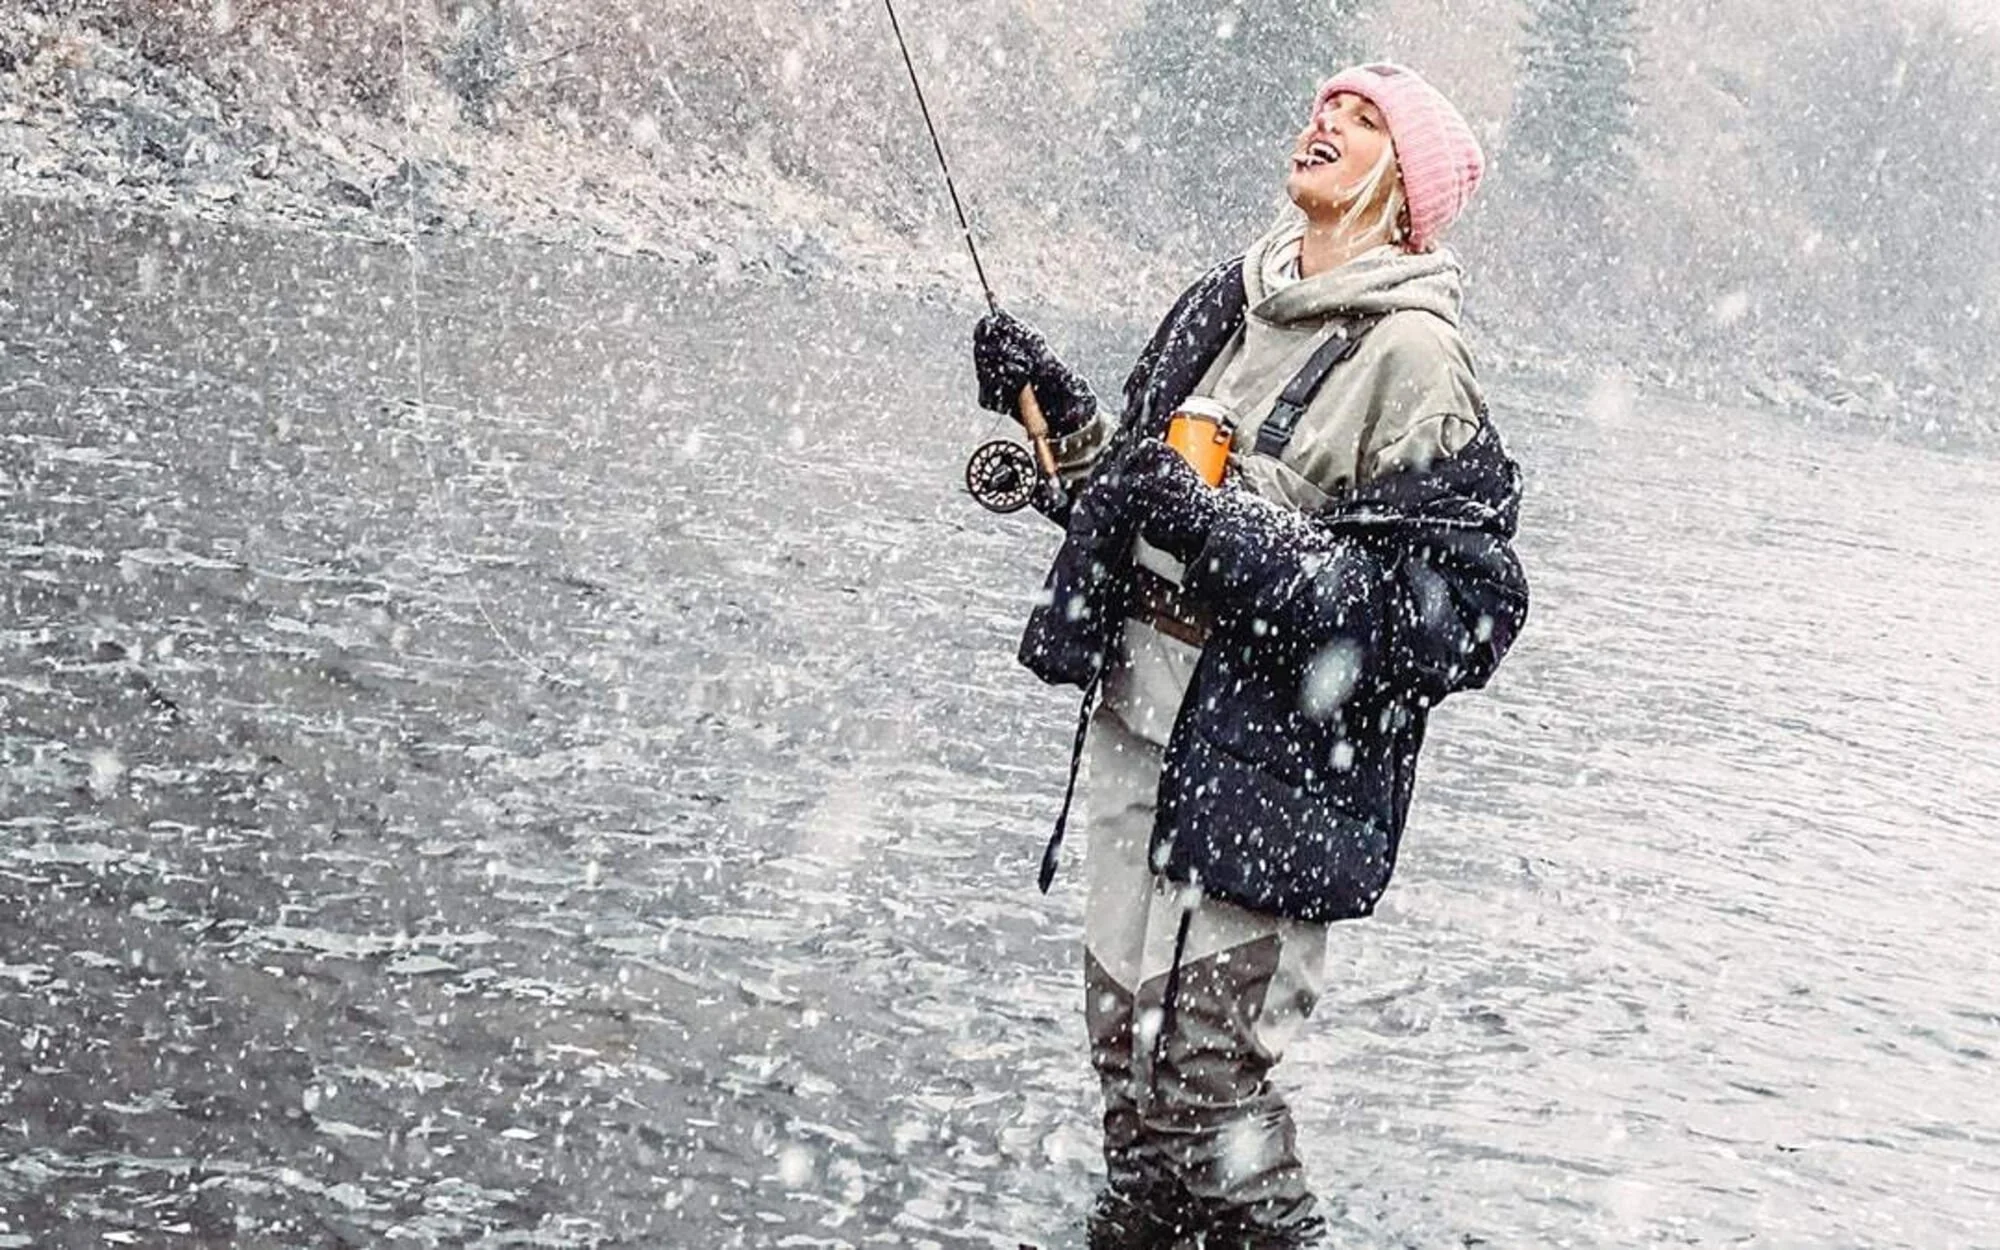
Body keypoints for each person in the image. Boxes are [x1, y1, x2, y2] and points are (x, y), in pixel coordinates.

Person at [970, 64, 1530, 1247]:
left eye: (1363, 117)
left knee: (1205, 1105)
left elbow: (1453, 614)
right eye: (1327, 104)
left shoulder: (1415, 361)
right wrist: (1058, 414)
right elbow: (1135, 490)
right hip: (1136, 730)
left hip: (1266, 775)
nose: (1326, 119)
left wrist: (1222, 531)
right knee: (1128, 1090)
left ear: (1403, 190)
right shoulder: (1220, 303)